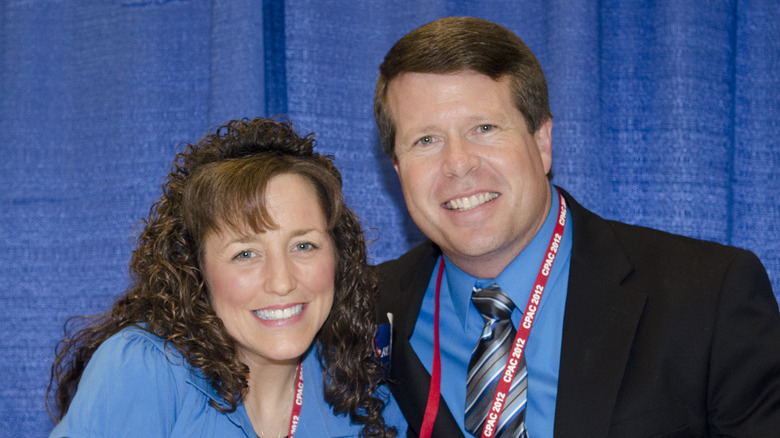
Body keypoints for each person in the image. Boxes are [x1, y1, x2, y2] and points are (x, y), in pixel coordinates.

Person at [373, 16, 780, 437]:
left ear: (543, 142)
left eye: (485, 128)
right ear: (399, 169)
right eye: (426, 140)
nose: (458, 163)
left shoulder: (707, 298)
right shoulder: (359, 311)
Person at [47, 117, 401, 437]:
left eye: (304, 246)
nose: (282, 281)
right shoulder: (145, 372)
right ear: (194, 270)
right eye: (245, 254)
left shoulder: (365, 395)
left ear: (339, 256)